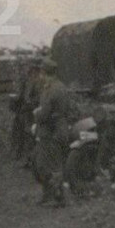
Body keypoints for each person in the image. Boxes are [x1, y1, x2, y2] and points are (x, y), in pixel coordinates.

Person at [32, 58, 75, 207]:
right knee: (43, 164)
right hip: (56, 129)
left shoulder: (51, 89)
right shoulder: (59, 86)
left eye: (41, 72)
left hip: (51, 131)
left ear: (44, 73)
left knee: (51, 165)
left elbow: (44, 114)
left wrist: (36, 113)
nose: (40, 75)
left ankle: (59, 198)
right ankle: (50, 194)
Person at [9, 59, 43, 166]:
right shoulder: (27, 80)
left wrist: (26, 105)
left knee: (29, 136)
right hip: (24, 112)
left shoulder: (38, 82)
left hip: (31, 113)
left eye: (30, 67)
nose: (27, 69)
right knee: (21, 134)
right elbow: (23, 96)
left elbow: (36, 99)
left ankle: (30, 160)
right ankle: (22, 157)